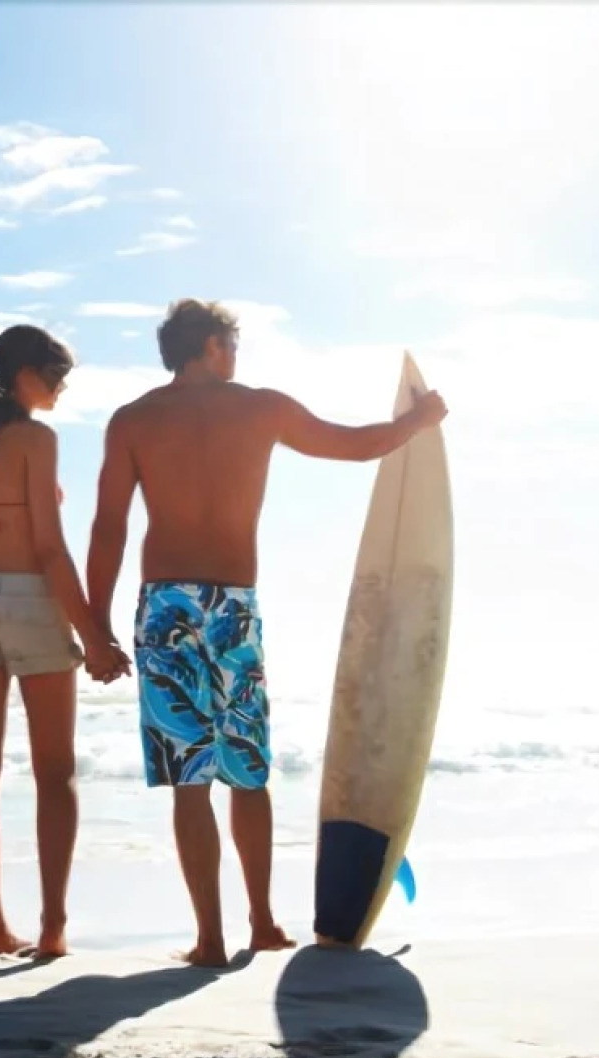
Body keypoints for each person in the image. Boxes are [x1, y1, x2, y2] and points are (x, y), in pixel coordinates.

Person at [84, 299, 448, 966]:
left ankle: (210, 939)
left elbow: (107, 526)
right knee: (246, 771)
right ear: (215, 345)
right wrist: (418, 422)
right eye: (232, 344)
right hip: (233, 607)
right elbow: (353, 445)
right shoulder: (260, 408)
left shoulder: (133, 420)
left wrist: (94, 629)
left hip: (163, 608)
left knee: (189, 779)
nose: (236, 356)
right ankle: (262, 923)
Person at [0, 324, 131, 959]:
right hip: (28, 602)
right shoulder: (38, 440)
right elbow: (49, 550)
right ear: (21, 375)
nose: (62, 387)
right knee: (54, 773)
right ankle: (51, 929)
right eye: (54, 375)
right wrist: (95, 638)